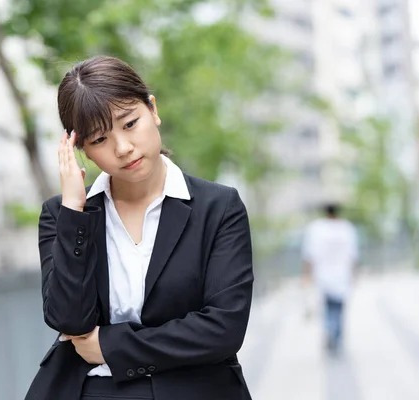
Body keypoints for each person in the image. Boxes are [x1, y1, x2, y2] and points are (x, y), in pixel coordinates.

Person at [25, 56, 254, 400]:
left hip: (193, 390)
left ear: (152, 109)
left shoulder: (218, 208)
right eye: (99, 140)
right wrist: (75, 211)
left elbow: (223, 329)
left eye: (130, 123)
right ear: (79, 149)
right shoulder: (64, 215)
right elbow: (69, 320)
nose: (123, 148)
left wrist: (109, 346)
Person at [302, 203, 358, 356]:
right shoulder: (347, 228)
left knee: (327, 308)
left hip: (323, 275)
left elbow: (308, 256)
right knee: (339, 309)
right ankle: (336, 336)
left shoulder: (316, 229)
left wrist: (307, 275)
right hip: (342, 275)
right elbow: (353, 256)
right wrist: (354, 275)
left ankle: (330, 331)